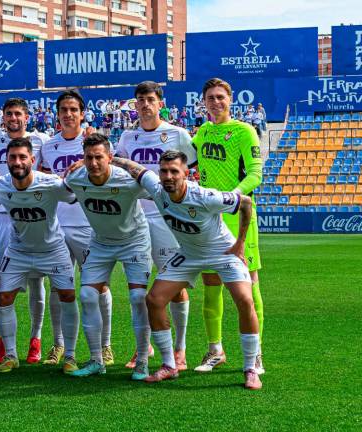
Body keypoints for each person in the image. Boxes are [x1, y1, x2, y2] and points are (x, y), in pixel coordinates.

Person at [109, 150, 262, 389]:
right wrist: (110, 158)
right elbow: (136, 169)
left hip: (222, 252)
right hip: (189, 254)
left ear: (186, 174)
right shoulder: (158, 189)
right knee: (154, 300)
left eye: (174, 172)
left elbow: (246, 203)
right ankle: (170, 365)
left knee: (245, 299)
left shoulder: (205, 196)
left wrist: (240, 243)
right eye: (164, 171)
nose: (168, 176)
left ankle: (251, 368)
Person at [116, 81, 198, 371]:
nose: (145, 104)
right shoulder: (128, 136)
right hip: (137, 218)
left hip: (168, 219)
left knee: (173, 284)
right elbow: (121, 170)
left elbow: (195, 170)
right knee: (137, 286)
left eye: (150, 99)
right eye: (140, 100)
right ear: (135, 104)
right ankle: (144, 346)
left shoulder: (178, 134)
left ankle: (180, 349)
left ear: (160, 103)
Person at [0, 137, 80, 374]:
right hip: (19, 250)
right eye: (12, 158)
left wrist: (72, 178)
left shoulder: (49, 183)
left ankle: (70, 355)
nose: (17, 162)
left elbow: (71, 196)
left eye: (22, 157)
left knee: (68, 296)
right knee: (4, 298)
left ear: (32, 160)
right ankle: (11, 355)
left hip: (53, 249)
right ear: (6, 161)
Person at [191, 78, 265, 375]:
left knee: (250, 287)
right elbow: (187, 164)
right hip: (209, 220)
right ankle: (215, 349)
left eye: (220, 97)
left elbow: (257, 173)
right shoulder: (201, 134)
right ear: (204, 102)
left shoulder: (244, 131)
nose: (216, 102)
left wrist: (233, 195)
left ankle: (256, 353)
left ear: (230, 99)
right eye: (210, 97)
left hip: (239, 218)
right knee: (211, 286)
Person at [64, 133, 152, 380]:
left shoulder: (127, 181)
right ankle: (96, 360)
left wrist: (124, 163)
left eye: (99, 157)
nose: (93, 163)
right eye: (88, 157)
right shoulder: (75, 178)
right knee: (87, 294)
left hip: (134, 240)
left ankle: (142, 361)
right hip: (101, 241)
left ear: (109, 158)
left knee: (137, 296)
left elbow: (154, 184)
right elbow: (62, 188)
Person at [39, 90, 114, 366]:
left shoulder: (94, 142)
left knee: (98, 287)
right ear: (57, 115)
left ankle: (105, 345)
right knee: (59, 288)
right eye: (63, 110)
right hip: (57, 226)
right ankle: (58, 344)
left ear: (82, 113)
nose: (68, 114)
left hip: (87, 224)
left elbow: (110, 169)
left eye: (73, 109)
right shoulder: (48, 145)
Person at [0, 98, 51, 365]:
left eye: (18, 114)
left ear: (27, 117)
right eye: (9, 114)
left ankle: (35, 339)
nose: (13, 118)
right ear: (3, 117)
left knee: (36, 280)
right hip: (1, 217)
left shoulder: (43, 140)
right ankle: (5, 339)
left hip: (31, 215)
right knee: (3, 281)